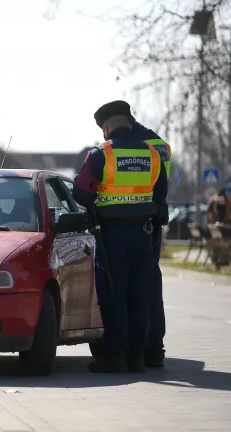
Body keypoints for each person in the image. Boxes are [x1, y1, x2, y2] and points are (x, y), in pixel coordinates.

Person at [73, 100, 168, 373]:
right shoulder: (153, 154)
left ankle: (114, 357)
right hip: (143, 234)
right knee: (140, 295)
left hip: (111, 235)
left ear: (106, 128)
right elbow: (160, 195)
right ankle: (137, 357)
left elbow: (81, 193)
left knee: (114, 293)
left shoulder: (101, 154)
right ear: (129, 122)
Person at [129, 112, 172, 368]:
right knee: (152, 286)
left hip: (136, 224)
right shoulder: (160, 145)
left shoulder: (129, 148)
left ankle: (143, 347)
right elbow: (161, 188)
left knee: (138, 288)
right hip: (153, 222)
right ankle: (154, 347)